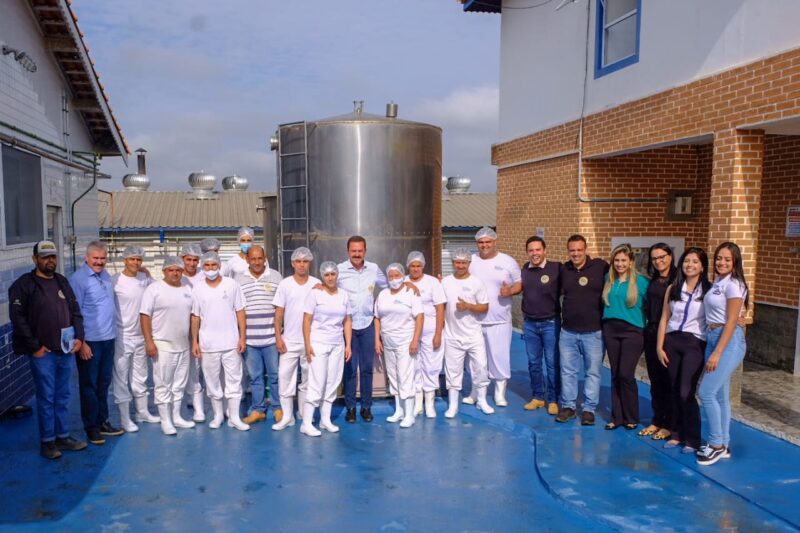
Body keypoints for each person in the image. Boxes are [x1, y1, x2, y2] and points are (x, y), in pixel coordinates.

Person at [9, 240, 87, 459]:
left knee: (63, 396)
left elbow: (75, 312)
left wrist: (79, 337)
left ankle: (62, 436)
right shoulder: (24, 285)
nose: (50, 260)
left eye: (52, 256)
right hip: (43, 354)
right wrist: (35, 346)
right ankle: (48, 442)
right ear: (35, 259)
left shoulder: (62, 281)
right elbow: (18, 318)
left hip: (65, 351)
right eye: (44, 257)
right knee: (46, 398)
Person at [696, 242, 748, 466]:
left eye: (727, 259)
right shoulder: (719, 282)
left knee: (706, 392)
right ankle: (723, 443)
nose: (722, 262)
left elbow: (732, 321)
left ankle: (716, 444)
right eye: (719, 258)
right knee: (719, 396)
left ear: (735, 261)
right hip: (713, 335)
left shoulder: (734, 284)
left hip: (727, 341)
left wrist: (717, 352)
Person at [656, 247, 711, 455]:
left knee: (686, 391)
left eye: (695, 262)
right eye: (687, 261)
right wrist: (659, 346)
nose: (690, 265)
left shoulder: (709, 291)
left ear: (702, 266)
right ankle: (676, 433)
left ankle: (693, 438)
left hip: (694, 343)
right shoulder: (673, 288)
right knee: (673, 388)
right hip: (672, 341)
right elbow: (664, 318)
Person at [69, 240, 124, 445]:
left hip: (108, 338)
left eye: (103, 258)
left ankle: (102, 422)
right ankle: (91, 427)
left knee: (103, 383)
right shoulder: (79, 280)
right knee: (89, 385)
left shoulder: (105, 276)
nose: (99, 262)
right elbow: (74, 313)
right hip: (90, 341)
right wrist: (81, 342)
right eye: (95, 258)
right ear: (87, 257)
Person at [190, 252, 249, 431]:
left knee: (234, 381)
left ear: (219, 266)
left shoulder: (231, 285)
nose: (210, 269)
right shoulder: (198, 288)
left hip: (231, 343)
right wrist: (195, 342)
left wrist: (242, 337)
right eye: (207, 266)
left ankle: (235, 417)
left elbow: (240, 311)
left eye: (213, 265)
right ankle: (217, 416)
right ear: (202, 267)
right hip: (208, 345)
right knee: (212, 382)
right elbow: (195, 317)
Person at [465, 227, 521, 408]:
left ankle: (499, 392)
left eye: (488, 242)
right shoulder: (471, 261)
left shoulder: (507, 261)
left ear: (494, 242)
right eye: (481, 242)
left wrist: (510, 291)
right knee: (475, 359)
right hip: (474, 319)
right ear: (477, 244)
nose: (484, 245)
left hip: (499, 319)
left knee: (499, 356)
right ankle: (476, 390)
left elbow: (519, 283)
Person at [557, 235, 609, 426]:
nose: (576, 253)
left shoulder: (600, 266)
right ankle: (568, 407)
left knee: (592, 372)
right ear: (568, 251)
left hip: (594, 333)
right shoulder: (564, 270)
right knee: (568, 371)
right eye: (572, 250)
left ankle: (588, 409)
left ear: (585, 250)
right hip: (568, 332)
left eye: (579, 250)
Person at [140, 257, 195, 436]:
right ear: (164, 271)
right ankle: (166, 420)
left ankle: (176, 416)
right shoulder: (154, 289)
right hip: (162, 344)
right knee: (163, 383)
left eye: (178, 270)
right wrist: (149, 341)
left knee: (179, 383)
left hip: (183, 344)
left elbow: (194, 316)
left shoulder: (188, 289)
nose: (175, 273)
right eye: (171, 270)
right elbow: (145, 316)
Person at [337, 236, 387, 423]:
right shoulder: (339, 269)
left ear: (365, 251)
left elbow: (389, 284)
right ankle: (350, 408)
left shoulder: (373, 269)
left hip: (367, 325)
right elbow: (328, 285)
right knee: (349, 369)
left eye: (360, 251)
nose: (357, 254)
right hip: (348, 327)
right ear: (348, 251)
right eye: (353, 251)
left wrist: (407, 282)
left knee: (366, 369)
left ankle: (366, 407)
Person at [301, 262, 353, 437]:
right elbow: (306, 320)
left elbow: (347, 321)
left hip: (337, 344)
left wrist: (348, 344)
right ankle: (306, 423)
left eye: (333, 274)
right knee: (317, 382)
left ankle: (325, 420)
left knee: (333, 382)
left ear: (337, 275)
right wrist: (307, 345)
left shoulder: (344, 295)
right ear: (322, 276)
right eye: (327, 275)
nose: (330, 278)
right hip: (318, 343)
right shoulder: (315, 294)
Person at [601, 244, 649, 431]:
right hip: (611, 329)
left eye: (623, 260)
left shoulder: (642, 282)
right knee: (615, 374)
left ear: (631, 262)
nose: (620, 264)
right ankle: (617, 417)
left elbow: (652, 306)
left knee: (626, 374)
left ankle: (631, 417)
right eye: (616, 260)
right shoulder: (608, 278)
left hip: (632, 332)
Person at [441, 248, 493, 418]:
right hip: (452, 336)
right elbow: (439, 306)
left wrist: (468, 306)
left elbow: (484, 307)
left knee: (481, 367)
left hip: (473, 335)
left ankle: (482, 400)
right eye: (457, 262)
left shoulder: (477, 283)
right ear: (453, 263)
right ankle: (453, 405)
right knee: (453, 370)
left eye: (464, 262)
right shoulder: (445, 282)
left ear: (469, 263)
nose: (460, 266)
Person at [272, 247, 320, 431]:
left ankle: (304, 413)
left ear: (310, 263)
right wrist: (278, 337)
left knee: (308, 379)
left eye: (305, 261)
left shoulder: (317, 284)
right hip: (289, 341)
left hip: (310, 341)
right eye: (298, 261)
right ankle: (287, 416)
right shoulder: (285, 284)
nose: (301, 264)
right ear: (292, 263)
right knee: (285, 377)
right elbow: (278, 314)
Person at [235, 245, 283, 425]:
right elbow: (237, 308)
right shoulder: (238, 280)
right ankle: (258, 410)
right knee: (255, 377)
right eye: (253, 259)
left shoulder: (276, 277)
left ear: (265, 258)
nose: (256, 262)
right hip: (250, 339)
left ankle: (278, 408)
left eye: (259, 258)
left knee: (275, 375)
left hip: (271, 338)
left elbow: (281, 306)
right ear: (247, 260)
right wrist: (241, 337)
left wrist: (279, 334)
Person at [111, 246, 155, 433]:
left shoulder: (145, 279)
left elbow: (159, 289)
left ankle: (142, 412)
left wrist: (148, 274)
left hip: (141, 336)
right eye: (132, 259)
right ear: (124, 260)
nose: (135, 263)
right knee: (121, 378)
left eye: (138, 259)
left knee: (140, 376)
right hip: (122, 337)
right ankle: (125, 419)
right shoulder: (115, 281)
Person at [375, 263, 424, 428]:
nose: (394, 279)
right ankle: (399, 410)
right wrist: (377, 339)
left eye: (397, 275)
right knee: (393, 376)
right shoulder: (383, 294)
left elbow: (420, 317)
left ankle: (409, 414)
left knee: (405, 376)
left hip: (406, 341)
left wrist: (415, 340)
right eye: (391, 276)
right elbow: (377, 318)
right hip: (388, 341)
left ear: (403, 276)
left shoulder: (411, 293)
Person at [520, 236, 561, 415]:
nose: (535, 253)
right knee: (533, 363)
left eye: (538, 249)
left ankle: (553, 399)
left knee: (552, 363)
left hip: (551, 323)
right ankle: (537, 397)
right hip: (530, 324)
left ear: (545, 250)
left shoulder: (556, 268)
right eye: (531, 250)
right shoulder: (525, 270)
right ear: (527, 252)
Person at [640, 243, 676, 441]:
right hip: (652, 331)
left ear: (670, 256)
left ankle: (669, 424)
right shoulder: (653, 279)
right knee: (655, 380)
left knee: (668, 380)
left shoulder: (678, 279)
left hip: (671, 334)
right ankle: (657, 419)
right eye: (654, 258)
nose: (658, 261)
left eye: (662, 257)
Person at [405, 251, 446, 418]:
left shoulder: (433, 282)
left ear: (423, 266)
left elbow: (440, 308)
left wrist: (438, 334)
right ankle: (417, 402)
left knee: (431, 366)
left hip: (430, 331)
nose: (415, 269)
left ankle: (429, 403)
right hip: (411, 333)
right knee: (414, 366)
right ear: (408, 266)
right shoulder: (403, 282)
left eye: (418, 266)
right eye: (412, 266)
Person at [180, 243, 206, 422]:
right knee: (183, 370)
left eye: (195, 260)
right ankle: (183, 406)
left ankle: (200, 408)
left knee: (199, 369)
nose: (191, 263)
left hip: (203, 329)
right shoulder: (176, 275)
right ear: (182, 259)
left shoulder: (204, 276)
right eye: (188, 259)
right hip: (181, 330)